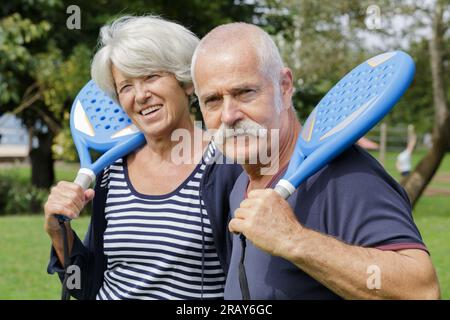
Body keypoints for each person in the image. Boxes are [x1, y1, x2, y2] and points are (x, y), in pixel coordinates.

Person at [191, 22, 440, 299]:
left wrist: (294, 240)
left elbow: (421, 290)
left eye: (244, 92)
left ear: (284, 87)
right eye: (212, 100)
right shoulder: (239, 183)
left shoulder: (346, 176)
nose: (228, 115)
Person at [44, 15, 242, 300]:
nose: (140, 95)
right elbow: (87, 287)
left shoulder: (228, 163)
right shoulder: (111, 171)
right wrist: (56, 231)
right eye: (126, 87)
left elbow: (252, 283)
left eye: (151, 76)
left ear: (187, 82)